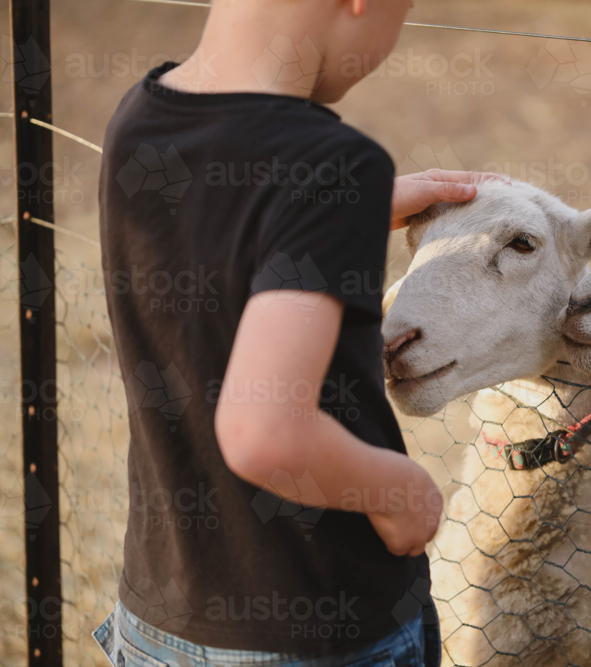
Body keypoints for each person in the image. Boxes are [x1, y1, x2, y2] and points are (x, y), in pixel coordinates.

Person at [93, 0, 491, 664]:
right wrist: (402, 491)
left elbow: (217, 221)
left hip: (160, 613)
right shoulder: (330, 165)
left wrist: (343, 210)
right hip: (319, 626)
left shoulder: (140, 115)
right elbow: (265, 433)